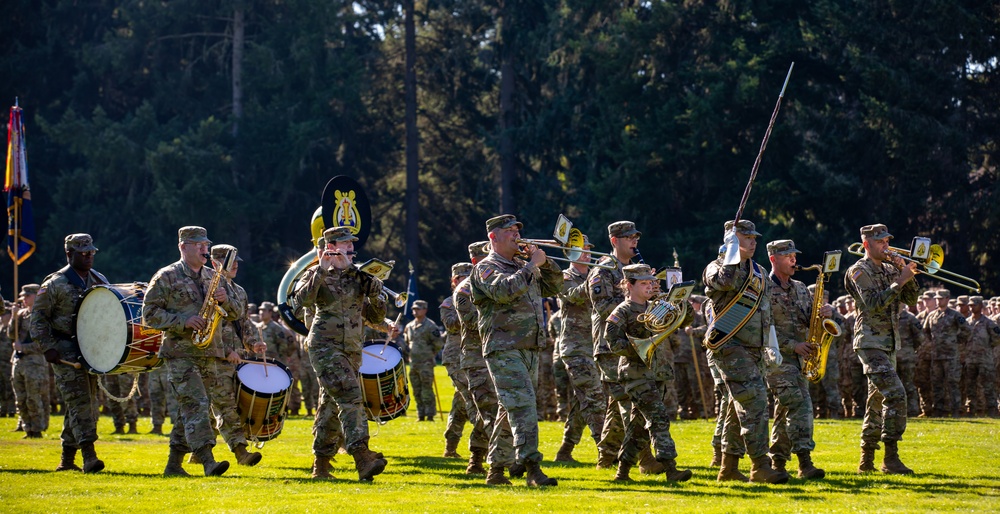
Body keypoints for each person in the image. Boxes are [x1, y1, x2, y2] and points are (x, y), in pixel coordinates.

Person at [291, 226, 398, 482]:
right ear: (332, 246)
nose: (351, 248)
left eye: (352, 244)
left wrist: (376, 294)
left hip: (351, 349)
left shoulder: (359, 276)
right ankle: (362, 456)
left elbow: (375, 317)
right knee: (351, 396)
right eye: (346, 243)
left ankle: (321, 466)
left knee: (329, 406)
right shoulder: (315, 273)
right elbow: (301, 302)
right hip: (324, 346)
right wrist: (321, 268)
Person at [143, 226, 244, 477]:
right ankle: (208, 461)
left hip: (210, 352)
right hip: (180, 353)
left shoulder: (215, 276)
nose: (204, 248)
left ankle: (173, 465)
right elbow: (149, 315)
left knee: (190, 408)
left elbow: (237, 313)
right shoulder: (166, 276)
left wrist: (225, 301)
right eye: (197, 244)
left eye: (205, 244)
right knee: (196, 405)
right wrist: (182, 321)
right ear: (183, 247)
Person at [470, 214, 563, 486]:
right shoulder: (486, 268)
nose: (515, 235)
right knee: (523, 405)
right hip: (503, 347)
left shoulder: (524, 265)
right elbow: (503, 291)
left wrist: (544, 262)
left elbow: (555, 286)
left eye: (516, 230)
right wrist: (531, 266)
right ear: (493, 237)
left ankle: (496, 471)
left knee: (509, 407)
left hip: (530, 346)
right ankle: (532, 468)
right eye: (508, 231)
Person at [702, 220, 787, 484]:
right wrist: (730, 252)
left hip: (754, 349)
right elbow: (725, 283)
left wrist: (771, 343)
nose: (752, 241)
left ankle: (728, 468)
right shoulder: (717, 267)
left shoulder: (759, 271)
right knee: (756, 402)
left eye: (753, 237)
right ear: (730, 239)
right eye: (745, 237)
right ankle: (760, 465)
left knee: (733, 408)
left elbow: (765, 311)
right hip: (730, 346)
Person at [605, 263, 693, 482]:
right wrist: (638, 350)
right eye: (643, 283)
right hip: (635, 374)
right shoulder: (622, 311)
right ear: (629, 285)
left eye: (650, 283)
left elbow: (686, 319)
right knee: (658, 418)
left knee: (639, 428)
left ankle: (622, 471)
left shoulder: (658, 305)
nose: (649, 287)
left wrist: (679, 300)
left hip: (658, 372)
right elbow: (612, 341)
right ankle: (671, 468)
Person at [844, 223, 920, 474]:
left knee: (876, 401)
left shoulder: (889, 269)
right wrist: (900, 279)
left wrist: (904, 273)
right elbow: (873, 303)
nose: (886, 246)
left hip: (888, 343)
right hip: (869, 342)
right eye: (880, 242)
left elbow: (911, 299)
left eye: (887, 241)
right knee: (896, 394)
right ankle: (891, 457)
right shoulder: (858, 271)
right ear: (866, 244)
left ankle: (866, 461)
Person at [30, 233, 108, 473]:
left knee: (84, 404)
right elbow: (37, 320)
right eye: (83, 253)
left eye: (91, 253)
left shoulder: (99, 279)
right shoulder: (55, 283)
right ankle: (89, 456)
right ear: (69, 254)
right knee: (81, 402)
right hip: (64, 351)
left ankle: (66, 460)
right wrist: (48, 348)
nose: (88, 257)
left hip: (92, 351)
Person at [454, 241, 516, 483]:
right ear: (474, 262)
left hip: (500, 353)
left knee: (496, 410)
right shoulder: (464, 290)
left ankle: (477, 458)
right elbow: (473, 323)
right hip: (475, 359)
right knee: (489, 409)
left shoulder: (499, 284)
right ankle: (501, 463)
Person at [763, 239, 825, 479]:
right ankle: (804, 462)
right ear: (773, 259)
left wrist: (822, 314)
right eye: (787, 255)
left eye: (794, 255)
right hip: (777, 358)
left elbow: (810, 318)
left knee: (785, 409)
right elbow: (763, 327)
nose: (793, 259)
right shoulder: (764, 288)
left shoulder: (800, 287)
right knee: (799, 404)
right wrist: (792, 345)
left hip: (802, 358)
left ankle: (777, 462)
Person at [203, 244, 266, 467]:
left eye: (237, 260)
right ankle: (241, 453)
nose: (237, 265)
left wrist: (253, 343)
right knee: (225, 406)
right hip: (215, 357)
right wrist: (224, 350)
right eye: (231, 261)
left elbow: (243, 323)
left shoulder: (238, 291)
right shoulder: (208, 287)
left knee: (215, 407)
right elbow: (207, 324)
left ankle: (193, 453)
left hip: (236, 358)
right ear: (215, 263)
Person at [588, 221, 642, 469]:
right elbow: (603, 309)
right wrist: (635, 301)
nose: (634, 241)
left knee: (620, 401)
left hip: (632, 343)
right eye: (628, 237)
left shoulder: (636, 269)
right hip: (610, 345)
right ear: (614, 241)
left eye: (635, 237)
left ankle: (607, 456)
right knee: (629, 400)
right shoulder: (602, 270)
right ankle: (645, 458)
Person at [553, 234, 606, 463]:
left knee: (583, 400)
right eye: (582, 249)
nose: (587, 253)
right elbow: (573, 296)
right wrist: (595, 280)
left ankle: (565, 450)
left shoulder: (595, 275)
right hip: (575, 348)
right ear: (571, 253)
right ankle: (607, 451)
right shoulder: (563, 277)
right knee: (594, 398)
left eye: (588, 248)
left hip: (594, 345)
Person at [9, 284, 49, 438]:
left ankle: (37, 429)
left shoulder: (42, 316)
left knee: (34, 397)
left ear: (36, 296)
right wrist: (13, 317)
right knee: (21, 398)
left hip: (35, 363)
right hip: (19, 362)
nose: (23, 299)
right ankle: (27, 427)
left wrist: (23, 347)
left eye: (27, 296)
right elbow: (12, 336)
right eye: (22, 296)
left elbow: (43, 343)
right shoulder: (21, 315)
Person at [922, 289, 970, 417]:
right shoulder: (932, 315)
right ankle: (938, 409)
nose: (939, 301)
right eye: (937, 298)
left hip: (950, 356)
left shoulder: (955, 315)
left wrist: (956, 341)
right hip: (936, 355)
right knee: (937, 383)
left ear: (947, 299)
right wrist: (933, 342)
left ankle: (955, 410)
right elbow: (925, 331)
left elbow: (967, 329)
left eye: (941, 298)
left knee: (953, 383)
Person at [440, 263, 471, 458]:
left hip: (475, 357)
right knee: (472, 399)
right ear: (454, 281)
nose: (465, 281)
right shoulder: (448, 303)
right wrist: (467, 308)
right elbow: (451, 325)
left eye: (468, 278)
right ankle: (484, 449)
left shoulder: (480, 299)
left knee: (461, 403)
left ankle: (450, 446)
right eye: (461, 278)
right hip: (455, 358)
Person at [405, 299, 443, 421]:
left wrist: (430, 353)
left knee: (427, 390)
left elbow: (438, 343)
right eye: (414, 309)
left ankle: (430, 414)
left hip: (426, 362)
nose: (415, 311)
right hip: (413, 363)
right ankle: (420, 414)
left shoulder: (431, 326)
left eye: (418, 309)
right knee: (416, 390)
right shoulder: (409, 326)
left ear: (425, 310)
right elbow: (407, 342)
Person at [964, 296, 999, 417]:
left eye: (974, 305)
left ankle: (992, 410)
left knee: (988, 385)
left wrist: (986, 348)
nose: (971, 307)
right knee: (970, 385)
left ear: (981, 306)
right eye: (970, 305)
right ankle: (971, 409)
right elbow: (962, 338)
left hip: (985, 359)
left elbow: (996, 339)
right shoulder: (967, 322)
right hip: (970, 360)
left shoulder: (989, 323)